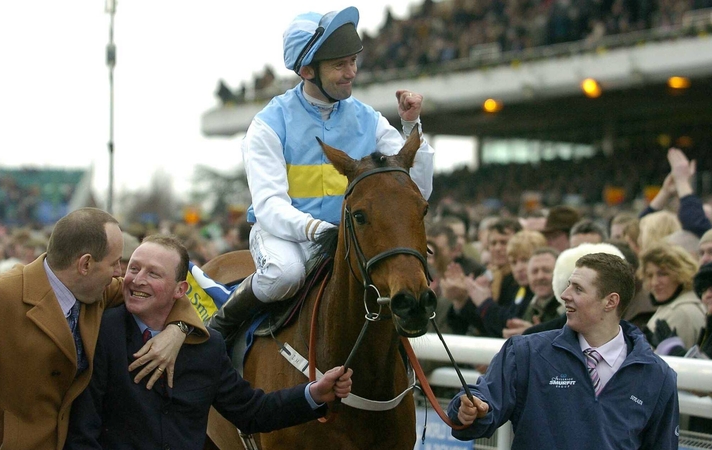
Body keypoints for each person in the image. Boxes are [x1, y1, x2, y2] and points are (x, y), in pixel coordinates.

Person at [209, 6, 434, 341]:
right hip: (286, 237)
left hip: (351, 238)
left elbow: (417, 188)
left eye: (353, 61)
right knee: (285, 275)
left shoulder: (368, 119)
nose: (351, 72)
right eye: (339, 65)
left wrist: (411, 124)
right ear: (306, 70)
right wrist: (317, 230)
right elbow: (270, 206)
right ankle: (219, 331)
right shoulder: (268, 125)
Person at [0, 208, 207, 450]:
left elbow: (167, 295)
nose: (121, 273)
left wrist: (178, 329)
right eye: (115, 263)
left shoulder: (97, 290)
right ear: (85, 264)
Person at [66, 234, 353, 449]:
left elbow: (253, 412)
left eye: (153, 273)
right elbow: (83, 431)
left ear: (180, 290)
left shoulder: (207, 346)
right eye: (134, 269)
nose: (137, 280)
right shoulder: (101, 333)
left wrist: (315, 393)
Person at [448, 253, 679, 449]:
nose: (565, 295)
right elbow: (481, 401)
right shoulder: (525, 352)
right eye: (569, 285)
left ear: (610, 302)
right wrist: (468, 409)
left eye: (578, 289)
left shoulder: (657, 377)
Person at [639, 242, 705, 349]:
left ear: (681, 274)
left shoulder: (679, 313)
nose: (655, 282)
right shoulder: (687, 304)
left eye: (662, 274)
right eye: (650, 275)